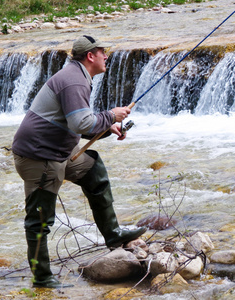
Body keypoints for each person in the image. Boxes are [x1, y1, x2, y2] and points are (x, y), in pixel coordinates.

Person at [12, 35, 146, 288]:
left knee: (94, 170)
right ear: (90, 56)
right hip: (40, 157)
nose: (107, 56)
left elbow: (75, 122)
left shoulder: (76, 76)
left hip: (57, 151)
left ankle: (113, 235)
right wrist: (111, 115)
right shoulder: (74, 81)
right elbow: (80, 123)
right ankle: (42, 279)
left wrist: (108, 128)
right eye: (103, 52)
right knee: (39, 219)